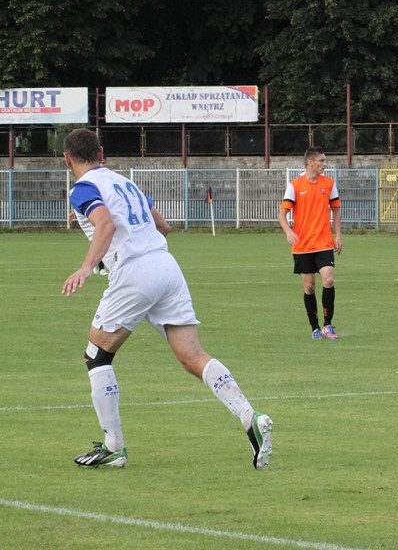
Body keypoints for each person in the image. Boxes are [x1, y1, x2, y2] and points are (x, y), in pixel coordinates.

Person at [61, 128, 273, 469]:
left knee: (96, 356)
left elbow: (106, 226)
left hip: (135, 272)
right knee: (192, 356)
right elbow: (163, 226)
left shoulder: (83, 188)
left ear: (67, 159)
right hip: (166, 267)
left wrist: (87, 267)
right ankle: (251, 417)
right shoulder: (125, 182)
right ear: (101, 154)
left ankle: (114, 447)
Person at [278, 146, 342, 340]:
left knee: (328, 279)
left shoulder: (329, 184)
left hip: (323, 242)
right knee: (309, 287)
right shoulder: (295, 185)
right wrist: (289, 232)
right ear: (310, 162)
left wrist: (338, 235)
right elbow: (282, 214)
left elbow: (336, 209)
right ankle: (315, 328)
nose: (325, 164)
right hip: (303, 245)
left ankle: (328, 325)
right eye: (321, 160)